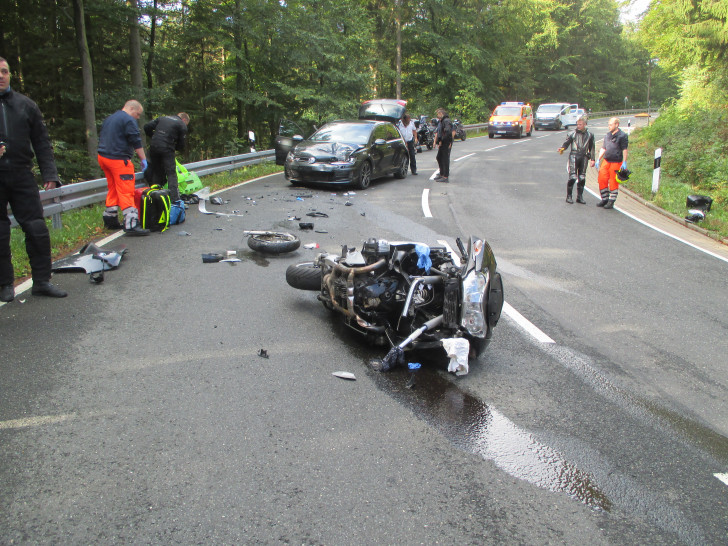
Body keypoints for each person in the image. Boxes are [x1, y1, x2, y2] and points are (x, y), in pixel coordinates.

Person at [0, 57, 67, 302]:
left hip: (21, 175)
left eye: (5, 71)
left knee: (37, 229)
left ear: (10, 74)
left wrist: (50, 174)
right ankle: (5, 284)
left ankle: (41, 281)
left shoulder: (25, 105)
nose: (1, 76)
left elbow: (41, 141)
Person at [97, 100, 149, 234]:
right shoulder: (128, 120)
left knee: (114, 188)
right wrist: (143, 159)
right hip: (118, 159)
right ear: (131, 108)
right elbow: (136, 141)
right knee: (126, 190)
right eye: (137, 114)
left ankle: (110, 219)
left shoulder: (110, 118)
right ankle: (131, 224)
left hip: (103, 157)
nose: (138, 117)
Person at [143, 112, 190, 201]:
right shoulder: (182, 124)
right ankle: (174, 198)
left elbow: (146, 127)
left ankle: (155, 195)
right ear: (184, 120)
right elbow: (181, 145)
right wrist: (174, 147)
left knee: (156, 170)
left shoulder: (162, 118)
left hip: (154, 146)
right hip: (167, 148)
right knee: (171, 173)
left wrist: (153, 136)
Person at [557, 116, 595, 204]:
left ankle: (580, 196)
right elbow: (566, 143)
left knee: (582, 177)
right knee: (573, 177)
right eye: (577, 124)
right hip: (574, 155)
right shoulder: (572, 134)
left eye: (580, 124)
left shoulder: (590, 135)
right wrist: (562, 148)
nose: (578, 126)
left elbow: (592, 148)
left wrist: (592, 159)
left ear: (585, 124)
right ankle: (569, 196)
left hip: (584, 156)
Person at [595, 117, 628, 209]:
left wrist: (624, 162)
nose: (609, 126)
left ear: (616, 125)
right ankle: (604, 199)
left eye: (611, 125)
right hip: (606, 161)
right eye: (608, 125)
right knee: (602, 179)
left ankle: (611, 201)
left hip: (616, 162)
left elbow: (624, 149)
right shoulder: (607, 135)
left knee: (613, 182)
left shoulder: (622, 136)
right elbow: (603, 148)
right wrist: (599, 159)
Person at [433, 108, 455, 182]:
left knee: (445, 159)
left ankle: (445, 176)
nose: (437, 117)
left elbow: (448, 132)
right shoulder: (442, 121)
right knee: (439, 157)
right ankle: (442, 174)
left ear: (441, 114)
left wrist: (443, 141)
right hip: (443, 142)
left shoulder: (446, 121)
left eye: (438, 115)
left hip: (446, 142)